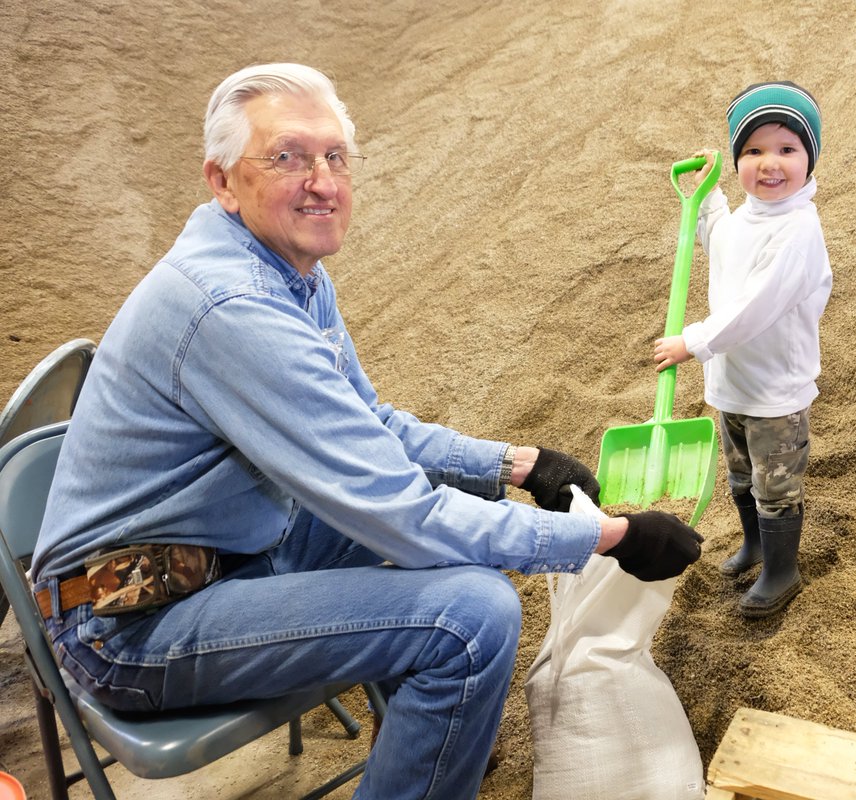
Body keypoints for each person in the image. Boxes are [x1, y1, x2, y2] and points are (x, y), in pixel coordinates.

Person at [31, 63, 703, 800]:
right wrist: (608, 538)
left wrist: (519, 465)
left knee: (455, 542)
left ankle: (431, 742)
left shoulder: (290, 268)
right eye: (287, 157)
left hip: (233, 545)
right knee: (472, 619)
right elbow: (402, 514)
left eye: (335, 157)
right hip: (129, 621)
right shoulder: (233, 306)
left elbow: (371, 426)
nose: (322, 181)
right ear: (222, 181)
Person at [652, 81, 831, 619]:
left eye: (786, 149)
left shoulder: (798, 230)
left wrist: (694, 341)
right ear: (737, 162)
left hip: (775, 390)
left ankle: (781, 570)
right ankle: (754, 545)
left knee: (775, 486)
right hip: (733, 384)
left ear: (809, 158)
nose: (769, 163)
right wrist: (707, 198)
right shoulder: (749, 218)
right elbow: (721, 242)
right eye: (752, 151)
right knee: (741, 475)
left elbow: (755, 307)